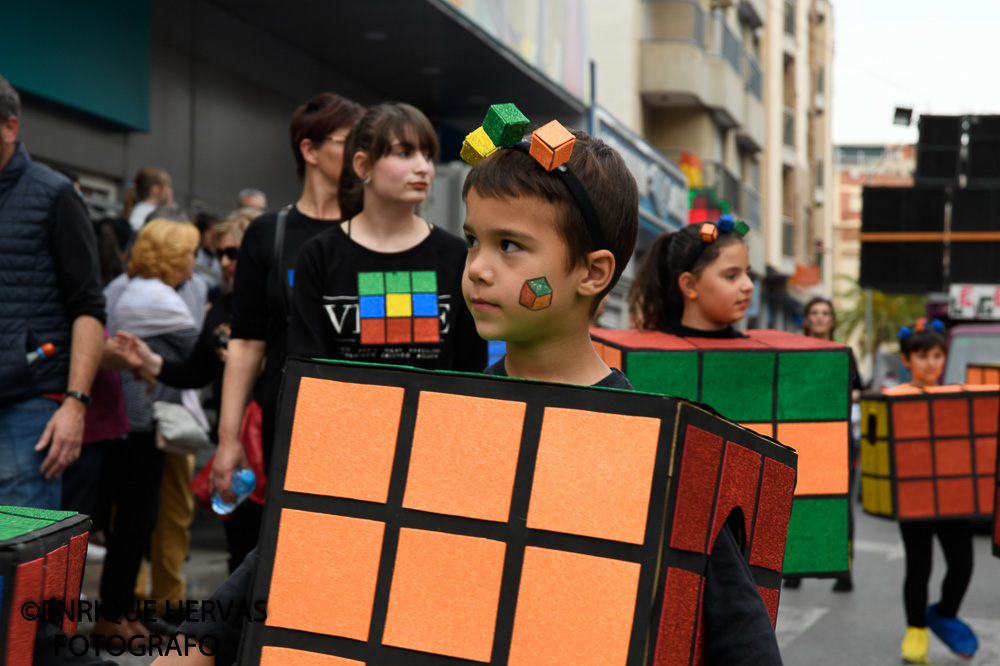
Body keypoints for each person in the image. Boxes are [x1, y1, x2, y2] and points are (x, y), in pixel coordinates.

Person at [466, 135, 779, 665]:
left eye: (510, 245)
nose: (478, 266)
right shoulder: (454, 415)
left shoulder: (656, 449)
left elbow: (741, 638)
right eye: (472, 239)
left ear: (593, 273)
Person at [210, 93, 365, 553]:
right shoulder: (268, 233)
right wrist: (227, 439)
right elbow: (246, 344)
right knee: (276, 555)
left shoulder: (377, 228)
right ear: (310, 150)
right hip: (286, 418)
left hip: (363, 422)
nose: (363, 154)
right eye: (350, 141)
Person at [286, 102, 487, 377]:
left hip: (433, 418)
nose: (422, 167)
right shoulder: (320, 254)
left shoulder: (455, 254)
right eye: (404, 153)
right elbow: (307, 368)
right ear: (362, 165)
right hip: (342, 417)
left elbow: (471, 371)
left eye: (428, 155)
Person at [116, 209, 262, 574]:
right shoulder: (221, 307)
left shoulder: (281, 303)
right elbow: (196, 370)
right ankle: (236, 630)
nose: (226, 262)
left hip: (276, 434)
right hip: (237, 439)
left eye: (236, 253)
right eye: (221, 254)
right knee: (240, 546)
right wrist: (149, 362)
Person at [0, 73, 105, 510]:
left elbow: (88, 307)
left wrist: (75, 403)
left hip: (29, 406)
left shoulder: (55, 194)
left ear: (9, 127)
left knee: (21, 565)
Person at [95, 219, 202, 643]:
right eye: (190, 252)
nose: (196, 262)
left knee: (132, 519)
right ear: (175, 256)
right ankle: (113, 617)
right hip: (140, 423)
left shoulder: (123, 286)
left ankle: (122, 612)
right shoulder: (156, 297)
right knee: (138, 519)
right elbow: (200, 354)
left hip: (122, 420)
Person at [887, 321, 977, 664]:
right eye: (923, 356)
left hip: (954, 497)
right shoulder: (892, 399)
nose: (931, 363)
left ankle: (943, 614)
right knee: (919, 568)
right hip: (913, 498)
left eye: (937, 355)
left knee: (963, 566)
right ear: (907, 360)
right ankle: (916, 632)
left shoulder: (957, 397)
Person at [789, 296, 862, 592]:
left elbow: (858, 391)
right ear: (807, 319)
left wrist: (833, 399)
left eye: (825, 313)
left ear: (832, 321)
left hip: (837, 439)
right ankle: (794, 568)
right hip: (801, 437)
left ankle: (843, 569)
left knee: (839, 503)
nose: (819, 318)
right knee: (798, 500)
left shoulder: (844, 353)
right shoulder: (792, 353)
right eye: (814, 313)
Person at [125, 167, 174, 233]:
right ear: (156, 190)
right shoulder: (142, 211)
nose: (171, 191)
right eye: (168, 187)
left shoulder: (153, 209)